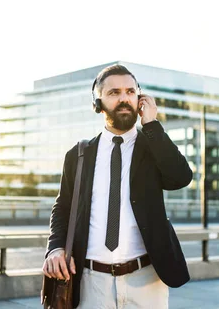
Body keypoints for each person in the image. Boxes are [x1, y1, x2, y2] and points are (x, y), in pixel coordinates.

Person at [42, 64, 193, 308]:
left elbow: (180, 178)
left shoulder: (153, 146)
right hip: (91, 281)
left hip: (146, 280)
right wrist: (55, 248)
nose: (124, 98)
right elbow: (63, 206)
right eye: (114, 93)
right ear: (97, 102)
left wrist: (152, 124)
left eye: (130, 92)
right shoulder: (79, 154)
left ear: (140, 98)